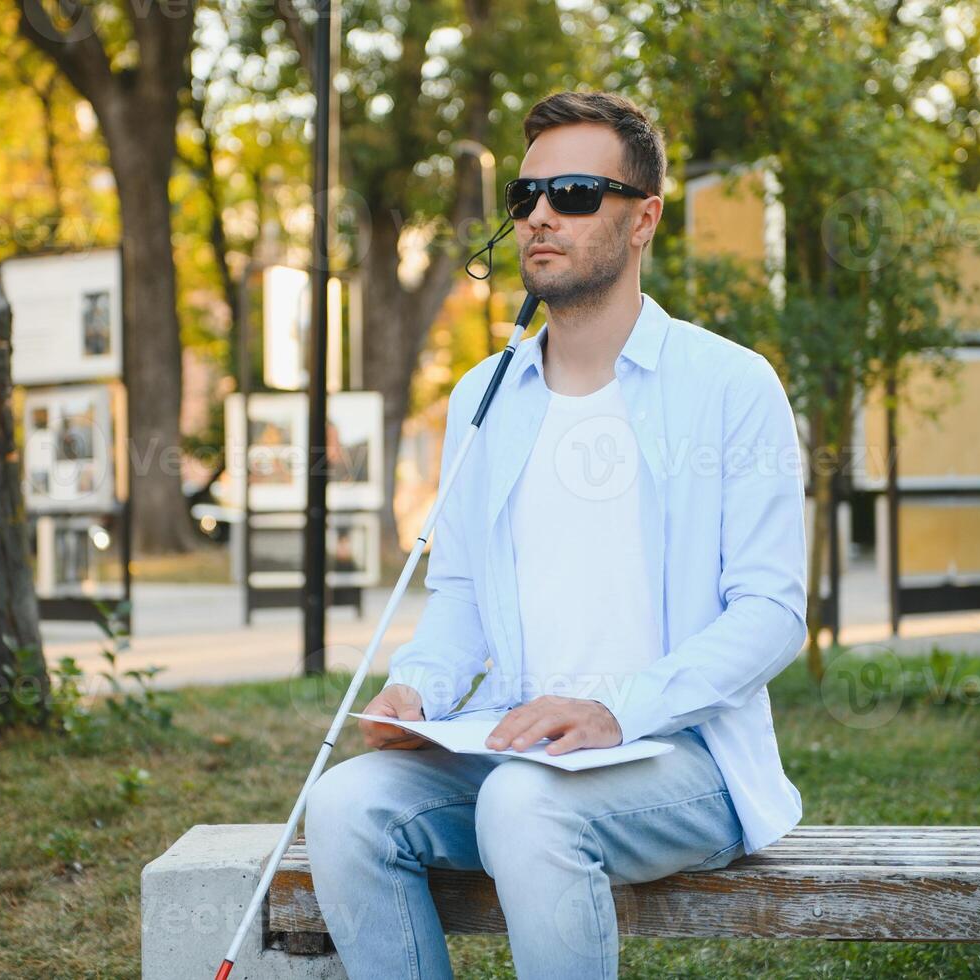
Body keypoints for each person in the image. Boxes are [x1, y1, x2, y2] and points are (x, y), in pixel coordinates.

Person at [304, 90, 808, 979]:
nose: (540, 214)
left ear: (643, 217)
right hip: (511, 747)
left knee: (525, 810)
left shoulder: (729, 385)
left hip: (679, 756)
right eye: (525, 196)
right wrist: (417, 691)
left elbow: (769, 613)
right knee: (345, 805)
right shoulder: (482, 396)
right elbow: (458, 593)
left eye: (575, 193)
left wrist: (618, 710)